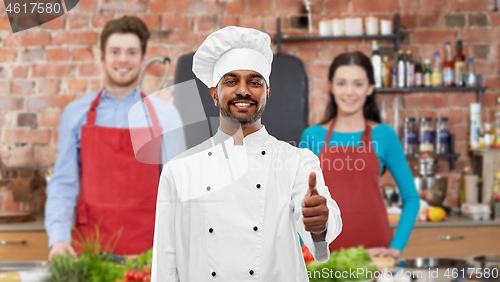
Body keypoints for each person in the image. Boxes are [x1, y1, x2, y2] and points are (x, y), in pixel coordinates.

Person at [151, 26, 342, 281]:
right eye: (231, 81)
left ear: (267, 94)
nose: (243, 90)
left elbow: (319, 224)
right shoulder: (179, 171)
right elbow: (165, 261)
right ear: (214, 94)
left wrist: (319, 224)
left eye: (255, 82)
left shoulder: (297, 162)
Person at [45, 16, 186, 260]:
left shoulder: (166, 116)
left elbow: (179, 192)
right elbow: (63, 184)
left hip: (150, 254)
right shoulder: (76, 114)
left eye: (131, 52)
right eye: (115, 51)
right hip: (90, 252)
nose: (123, 59)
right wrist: (58, 239)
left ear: (143, 59)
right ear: (102, 58)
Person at [300, 51, 420, 259]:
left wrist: (396, 248)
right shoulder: (312, 137)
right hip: (325, 252)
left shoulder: (384, 135)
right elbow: (299, 201)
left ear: (370, 88)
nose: (349, 92)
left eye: (358, 84)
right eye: (341, 83)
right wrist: (303, 249)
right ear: (331, 87)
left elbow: (411, 198)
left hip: (374, 252)